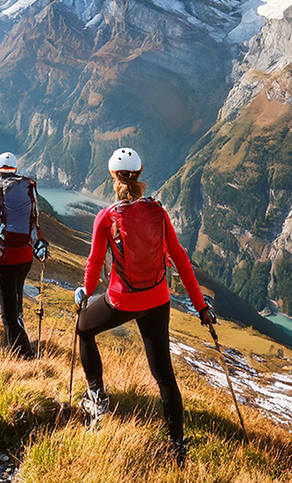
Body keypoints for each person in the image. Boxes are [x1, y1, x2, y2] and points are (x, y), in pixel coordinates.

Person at [73, 147, 216, 454]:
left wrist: (84, 293)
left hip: (122, 300)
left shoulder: (107, 217)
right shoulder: (159, 212)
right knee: (163, 373)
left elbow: (95, 263)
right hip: (157, 300)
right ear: (139, 175)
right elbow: (181, 259)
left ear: (113, 175)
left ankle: (97, 397)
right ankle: (177, 443)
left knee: (85, 329)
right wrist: (201, 306)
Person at [0, 151, 48, 358]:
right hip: (25, 257)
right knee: (16, 302)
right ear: (15, 169)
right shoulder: (26, 189)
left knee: (8, 314)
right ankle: (18, 345)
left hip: (2, 260)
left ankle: (24, 356)